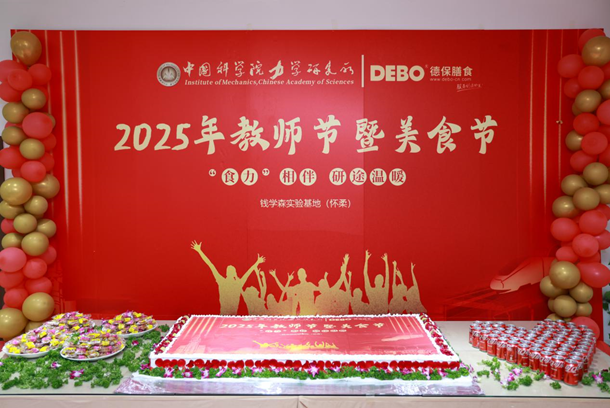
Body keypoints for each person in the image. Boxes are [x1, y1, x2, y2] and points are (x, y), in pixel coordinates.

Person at [191, 240, 265, 315]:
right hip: (228, 316)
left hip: (226, 316)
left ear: (227, 273)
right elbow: (248, 273)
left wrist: (199, 251)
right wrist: (257, 262)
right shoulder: (237, 283)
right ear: (234, 274)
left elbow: (210, 265)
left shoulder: (224, 282)